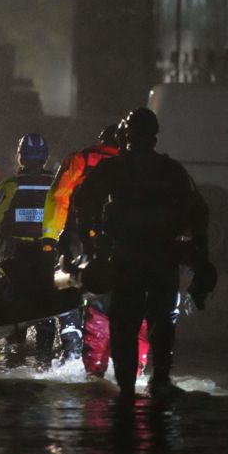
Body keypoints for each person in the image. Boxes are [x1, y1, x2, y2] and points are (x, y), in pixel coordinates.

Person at [74, 108, 209, 397]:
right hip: (163, 257)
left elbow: (84, 205)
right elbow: (198, 214)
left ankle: (127, 387)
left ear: (126, 135)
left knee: (125, 321)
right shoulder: (172, 170)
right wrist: (200, 256)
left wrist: (91, 244)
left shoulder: (114, 168)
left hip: (128, 257)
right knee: (162, 320)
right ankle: (159, 380)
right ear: (154, 137)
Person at [42, 124, 152, 378]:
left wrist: (51, 236)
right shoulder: (150, 167)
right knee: (138, 309)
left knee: (95, 304)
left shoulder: (82, 160)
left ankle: (92, 370)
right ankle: (136, 371)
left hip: (90, 243)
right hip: (137, 248)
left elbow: (60, 198)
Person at [0, 133, 82, 368]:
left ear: (20, 157)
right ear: (45, 157)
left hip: (18, 253)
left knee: (17, 305)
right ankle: (45, 358)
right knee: (45, 304)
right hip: (49, 254)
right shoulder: (55, 185)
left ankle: (16, 357)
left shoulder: (10, 185)